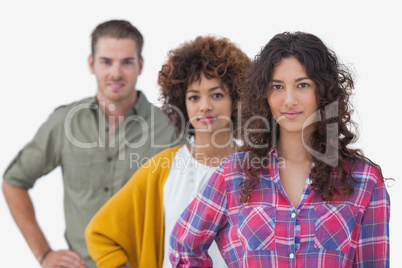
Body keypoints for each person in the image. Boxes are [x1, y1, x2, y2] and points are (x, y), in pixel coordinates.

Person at [169, 32, 390, 267]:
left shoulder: (364, 180)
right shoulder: (233, 174)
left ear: (324, 91)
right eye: (277, 87)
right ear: (264, 95)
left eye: (302, 85)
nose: (289, 100)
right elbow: (184, 247)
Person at [2, 20, 178, 268]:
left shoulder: (170, 127)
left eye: (126, 62)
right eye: (106, 61)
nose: (116, 73)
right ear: (91, 64)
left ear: (140, 65)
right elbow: (14, 182)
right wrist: (44, 254)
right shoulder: (64, 122)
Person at [85, 35, 251, 268]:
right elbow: (100, 232)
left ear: (236, 98)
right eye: (194, 97)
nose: (205, 106)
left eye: (217, 94)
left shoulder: (259, 167)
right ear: (182, 103)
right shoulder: (163, 168)